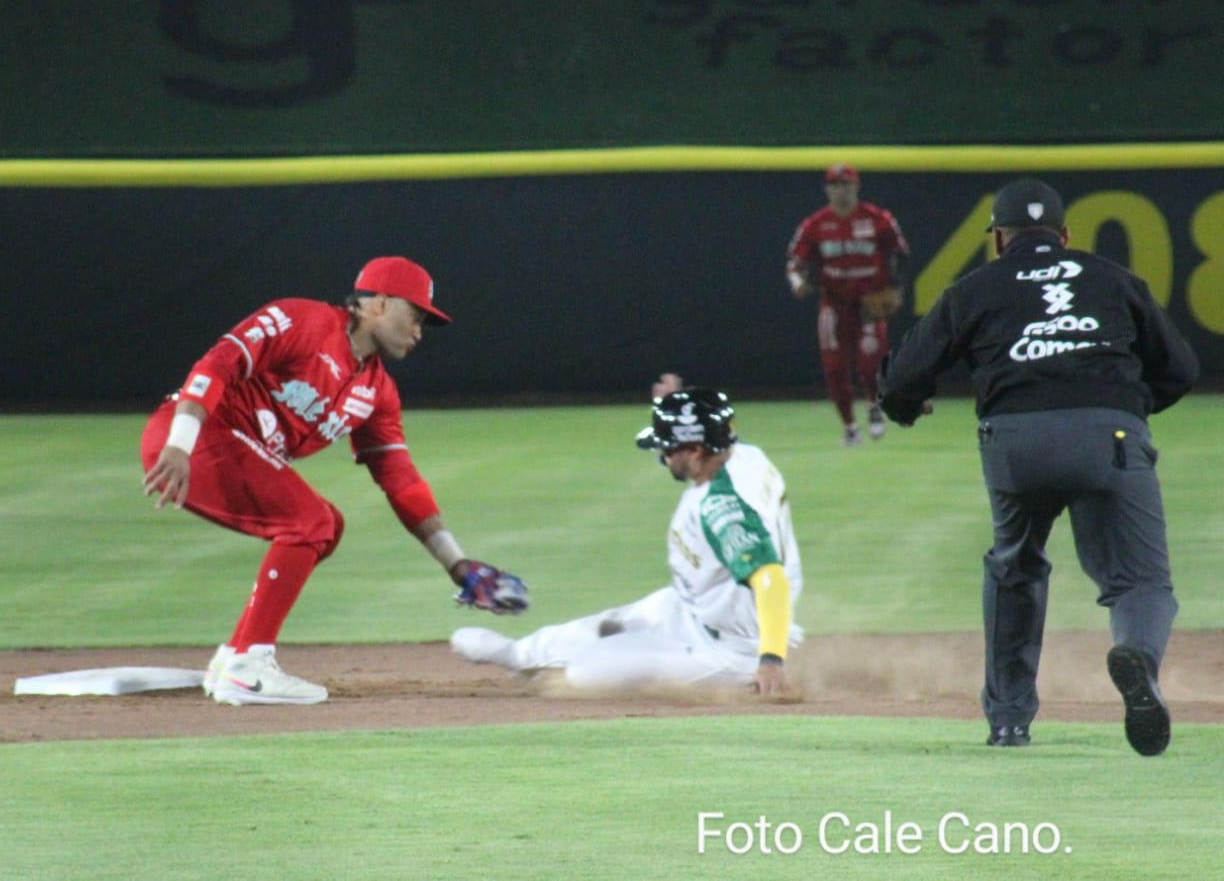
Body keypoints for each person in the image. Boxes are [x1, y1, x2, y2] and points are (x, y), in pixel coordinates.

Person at [877, 177, 1200, 755]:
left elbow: (901, 379)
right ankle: (1140, 664)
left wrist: (904, 409)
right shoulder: (1114, 279)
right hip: (1111, 435)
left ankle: (1008, 721)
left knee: (1015, 568)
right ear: (1067, 235)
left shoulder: (975, 287)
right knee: (1141, 582)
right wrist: (1119, 404)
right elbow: (1180, 368)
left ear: (999, 239)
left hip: (1016, 442)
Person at [141, 255, 526, 706]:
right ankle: (248, 666)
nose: (420, 330)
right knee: (309, 522)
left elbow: (401, 483)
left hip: (228, 448)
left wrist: (457, 565)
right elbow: (220, 362)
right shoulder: (303, 320)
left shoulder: (377, 391)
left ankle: (235, 657)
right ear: (378, 305)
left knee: (327, 525)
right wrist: (180, 442)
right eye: (415, 315)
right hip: (196, 434)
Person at [450, 382, 803, 697]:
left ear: (695, 450)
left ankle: (741, 681)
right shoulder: (743, 455)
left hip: (730, 649)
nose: (663, 457)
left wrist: (771, 660)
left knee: (583, 674)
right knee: (606, 625)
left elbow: (771, 579)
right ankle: (518, 656)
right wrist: (678, 410)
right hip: (691, 609)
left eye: (668, 447)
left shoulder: (725, 508)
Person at [785, 163, 910, 446]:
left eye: (846, 184)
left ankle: (874, 406)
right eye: (836, 185)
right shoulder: (815, 225)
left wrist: (897, 288)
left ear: (857, 186)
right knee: (835, 368)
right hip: (834, 304)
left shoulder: (878, 219)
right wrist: (797, 282)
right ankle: (850, 427)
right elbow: (796, 263)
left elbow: (900, 255)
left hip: (869, 303)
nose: (841, 190)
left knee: (871, 365)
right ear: (827, 189)